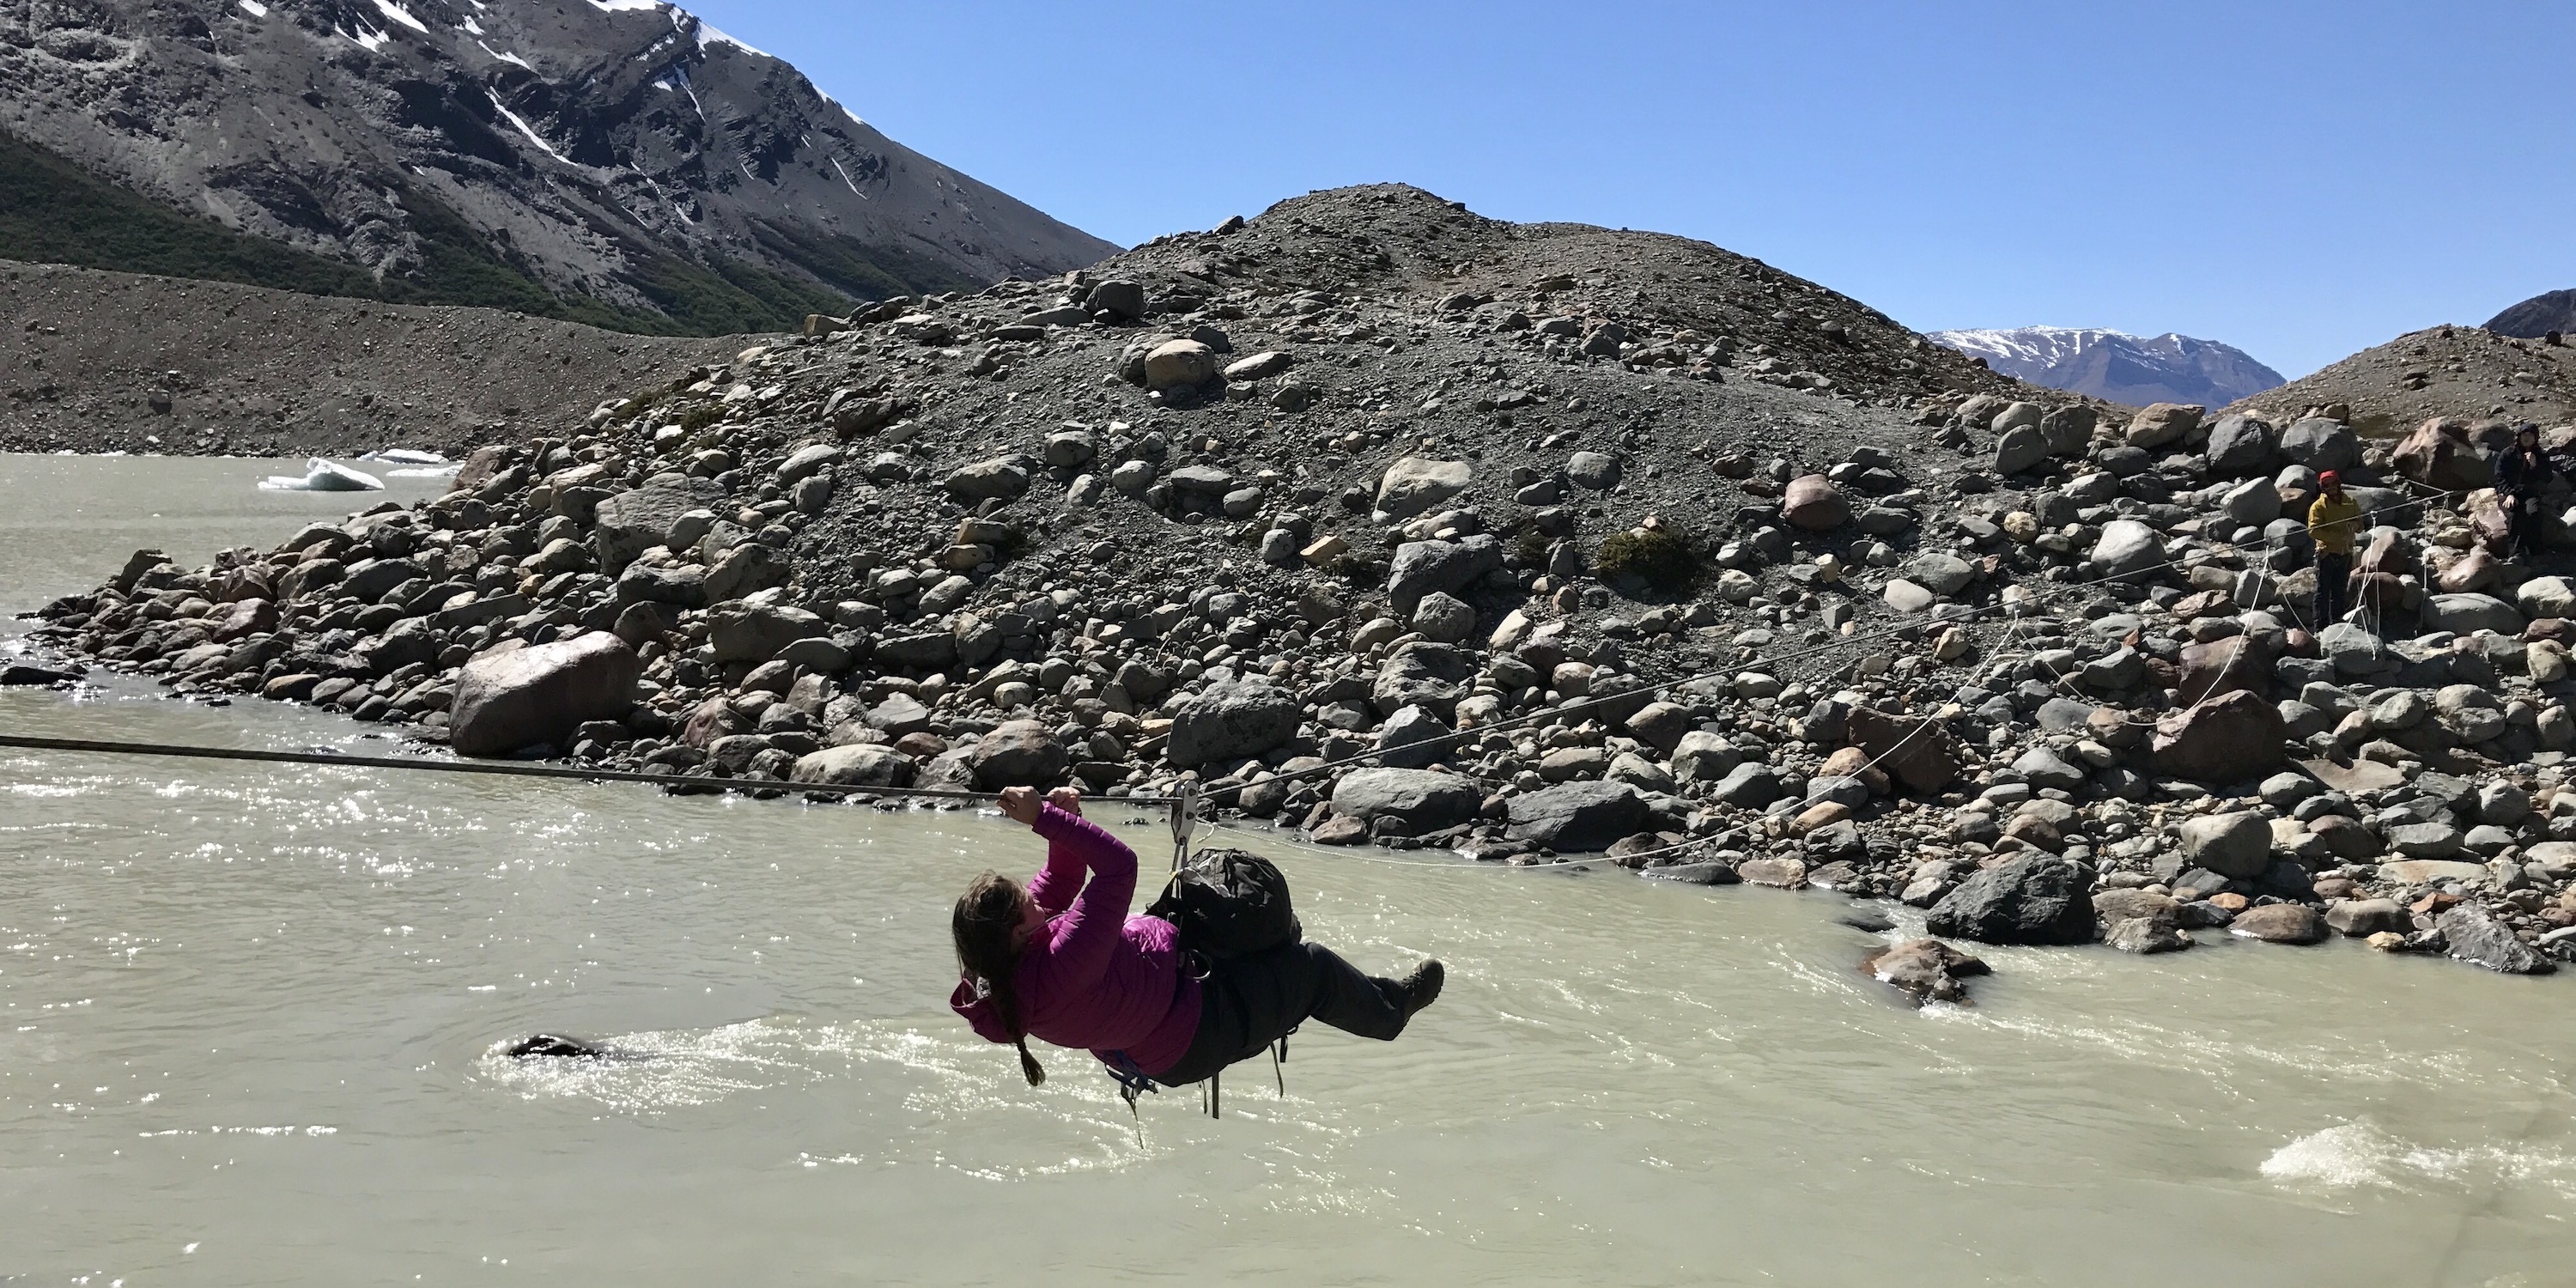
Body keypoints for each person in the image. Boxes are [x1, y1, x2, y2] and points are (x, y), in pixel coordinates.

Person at [950, 786, 1443, 1093]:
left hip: (1167, 988)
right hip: (1197, 1034)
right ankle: (1390, 1012)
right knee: (1309, 966)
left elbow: (1056, 887)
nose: (1034, 899)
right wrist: (1045, 819)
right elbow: (1120, 867)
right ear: (1019, 931)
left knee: (1251, 917)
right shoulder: (1063, 961)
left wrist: (1066, 824)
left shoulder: (1001, 962)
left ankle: (1282, 970)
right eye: (1025, 903)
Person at [2307, 470, 2362, 627]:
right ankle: (2321, 626)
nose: (2330, 487)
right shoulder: (2318, 506)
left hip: (2346, 553)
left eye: (2333, 484)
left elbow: (2361, 524)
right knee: (2322, 592)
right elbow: (2313, 530)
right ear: (2322, 487)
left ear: (2338, 484)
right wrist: (2338, 538)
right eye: (2326, 485)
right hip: (2326, 554)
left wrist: (2355, 525)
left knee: (2339, 591)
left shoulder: (2350, 502)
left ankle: (2337, 622)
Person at [2495, 423, 2558, 560]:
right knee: (2515, 514)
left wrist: (2535, 465)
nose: (2527, 437)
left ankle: (2536, 552)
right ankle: (2515, 553)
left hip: (2530, 493)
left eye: (2530, 435)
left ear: (2535, 437)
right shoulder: (2508, 453)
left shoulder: (2540, 455)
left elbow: (2547, 478)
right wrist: (2509, 493)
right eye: (2524, 434)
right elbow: (2499, 477)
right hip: (2509, 494)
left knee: (2533, 513)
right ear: (2519, 436)